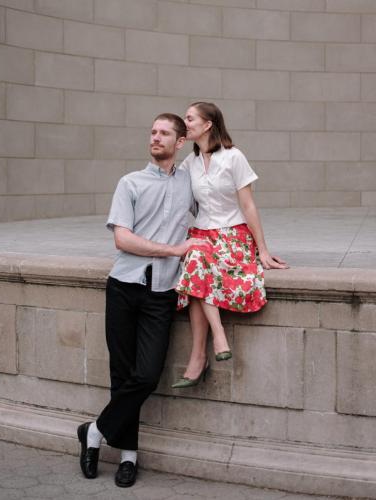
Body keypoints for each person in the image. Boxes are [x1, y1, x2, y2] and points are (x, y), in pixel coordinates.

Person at [77, 113, 207, 488]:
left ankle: (93, 432)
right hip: (123, 287)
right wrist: (174, 249)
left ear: (180, 142)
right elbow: (123, 239)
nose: (156, 137)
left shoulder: (189, 182)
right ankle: (129, 457)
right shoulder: (130, 182)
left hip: (161, 294)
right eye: (153, 132)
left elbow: (215, 205)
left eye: (165, 133)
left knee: (146, 375)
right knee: (123, 374)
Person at [172, 102, 288, 389]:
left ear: (208, 124)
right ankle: (217, 335)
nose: (184, 122)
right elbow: (172, 195)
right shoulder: (190, 163)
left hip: (233, 235)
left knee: (198, 266)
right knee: (196, 256)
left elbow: (248, 205)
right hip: (202, 232)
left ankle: (199, 355)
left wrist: (262, 249)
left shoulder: (233, 157)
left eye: (189, 118)